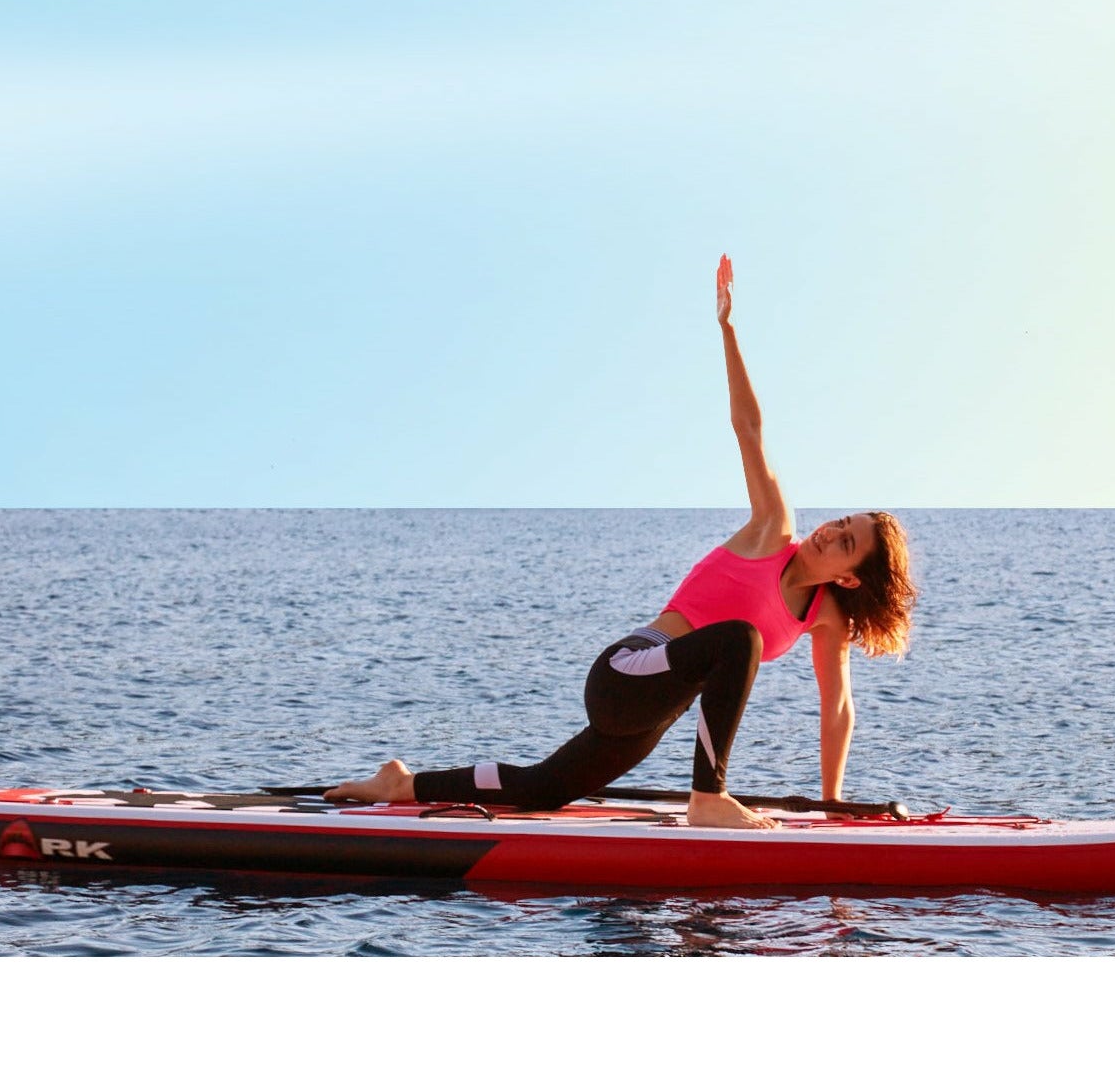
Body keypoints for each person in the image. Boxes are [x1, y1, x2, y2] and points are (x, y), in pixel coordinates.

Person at [326, 255, 917, 829]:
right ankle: (708, 799)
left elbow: (837, 706)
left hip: (652, 713)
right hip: (625, 672)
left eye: (847, 543)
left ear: (848, 578)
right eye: (843, 521)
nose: (832, 530)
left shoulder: (826, 616)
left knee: (540, 790)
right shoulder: (773, 530)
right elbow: (750, 431)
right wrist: (727, 329)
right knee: (742, 638)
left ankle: (400, 782)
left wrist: (834, 805)